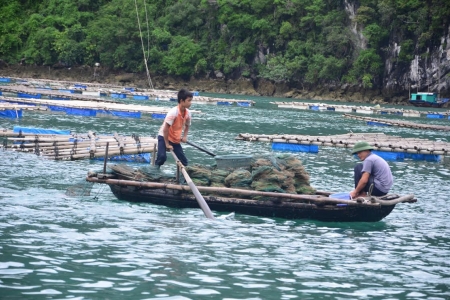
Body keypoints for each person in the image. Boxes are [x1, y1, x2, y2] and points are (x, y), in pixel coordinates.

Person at [154, 89, 193, 168]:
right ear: (182, 101)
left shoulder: (188, 113)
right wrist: (167, 144)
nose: (190, 103)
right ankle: (155, 169)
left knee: (184, 162)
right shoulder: (173, 112)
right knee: (162, 157)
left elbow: (187, 125)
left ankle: (182, 177)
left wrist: (185, 136)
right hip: (164, 136)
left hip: (175, 138)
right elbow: (165, 129)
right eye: (189, 101)